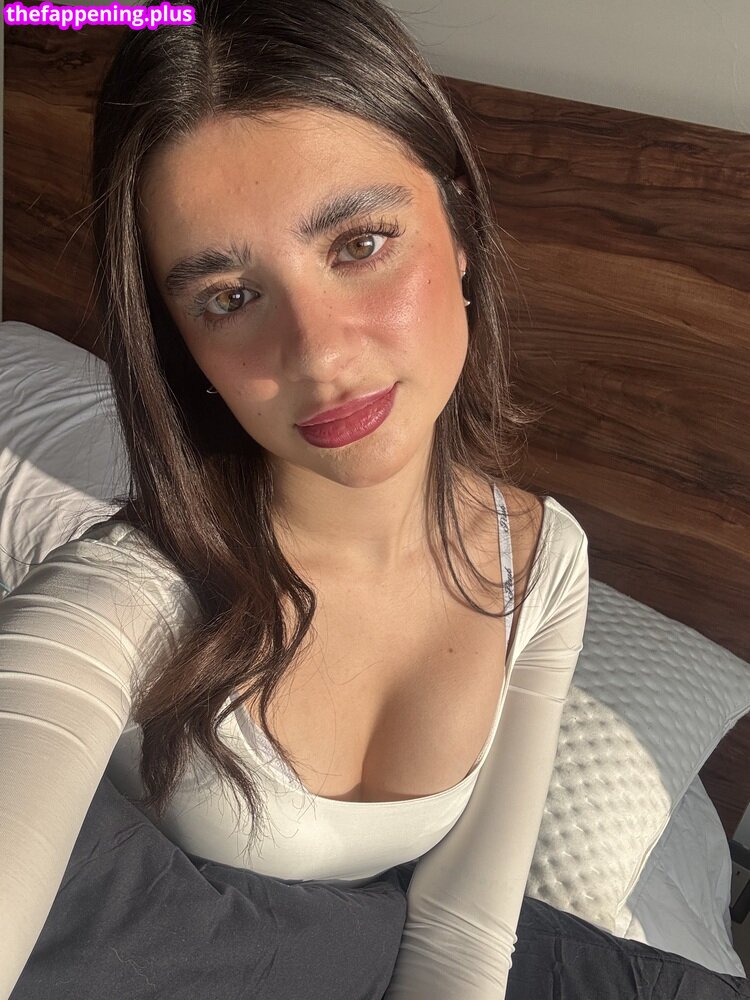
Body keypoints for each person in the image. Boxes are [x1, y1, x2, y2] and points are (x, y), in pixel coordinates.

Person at [0, 0, 590, 996]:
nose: (317, 354)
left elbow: (460, 936)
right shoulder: (124, 599)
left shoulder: (544, 558)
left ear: (459, 227)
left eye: (359, 243)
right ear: (181, 342)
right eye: (230, 298)